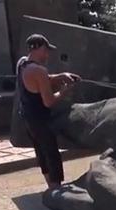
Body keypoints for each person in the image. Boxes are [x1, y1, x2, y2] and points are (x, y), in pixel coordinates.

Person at [16, 34, 81, 189]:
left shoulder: (22, 63)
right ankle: (56, 190)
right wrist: (64, 92)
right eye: (46, 50)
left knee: (41, 152)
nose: (47, 54)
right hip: (40, 119)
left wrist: (61, 76)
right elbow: (49, 101)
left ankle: (50, 187)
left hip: (27, 116)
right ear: (39, 48)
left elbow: (40, 80)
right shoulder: (39, 70)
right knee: (52, 153)